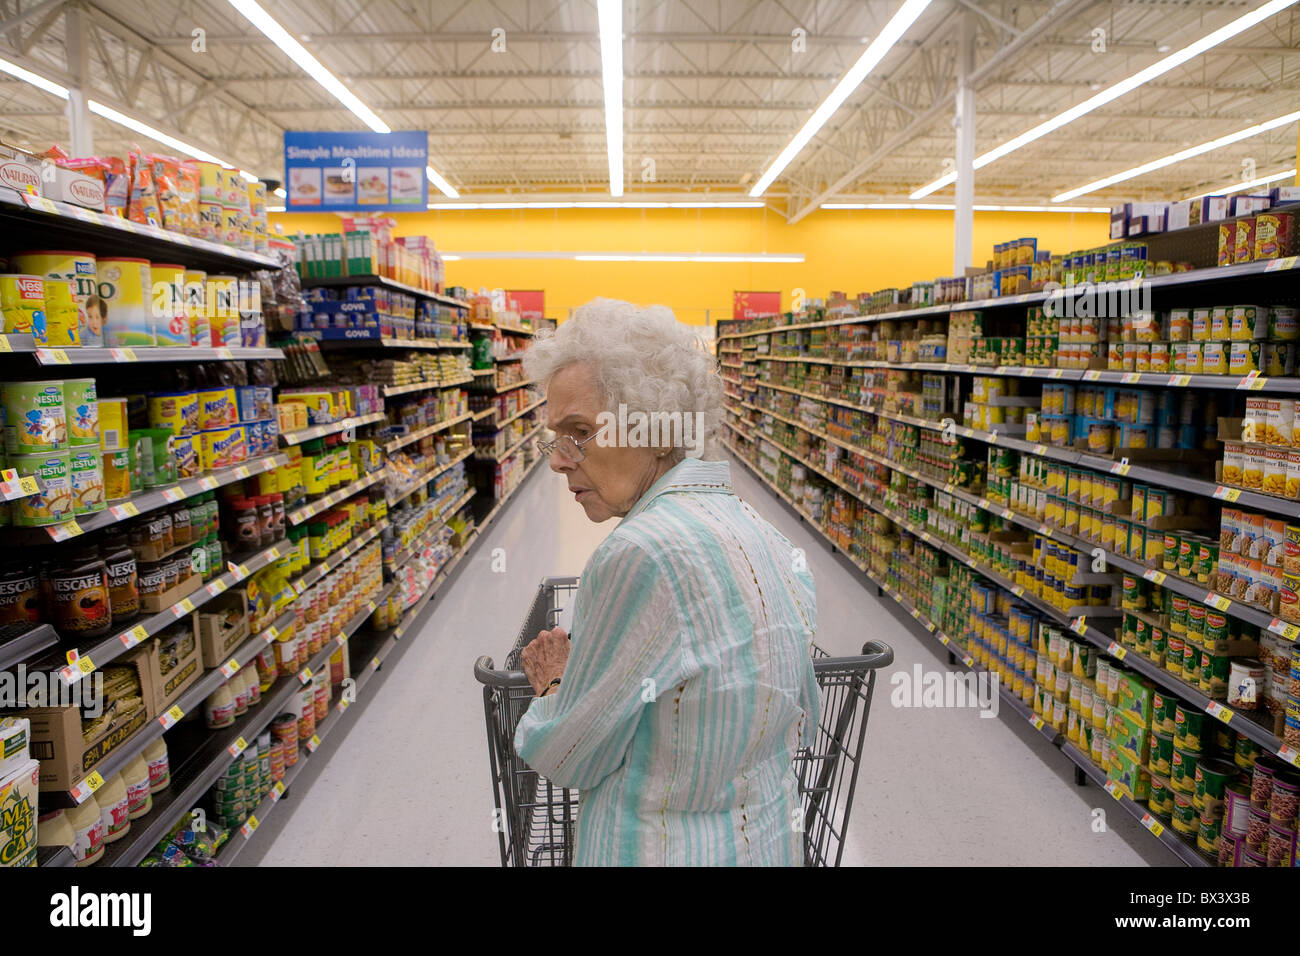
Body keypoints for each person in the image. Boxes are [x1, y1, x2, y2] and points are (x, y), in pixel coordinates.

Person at [514, 297, 821, 866]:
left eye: (578, 431)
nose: (558, 461)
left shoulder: (640, 553)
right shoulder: (765, 535)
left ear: (657, 430)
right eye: (555, 436)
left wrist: (555, 685)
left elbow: (569, 756)